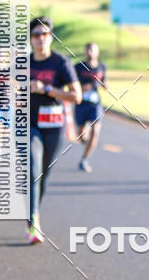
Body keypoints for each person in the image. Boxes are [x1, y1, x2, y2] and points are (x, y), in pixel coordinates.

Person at [28, 17, 81, 244]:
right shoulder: (23, 63)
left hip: (53, 124)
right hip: (29, 123)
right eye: (36, 35)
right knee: (32, 169)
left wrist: (46, 89)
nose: (41, 38)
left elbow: (76, 96)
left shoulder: (61, 63)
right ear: (31, 39)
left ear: (51, 37)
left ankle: (33, 211)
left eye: (45, 34)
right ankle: (33, 222)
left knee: (43, 174)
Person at [74, 42, 107, 173]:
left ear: (97, 52)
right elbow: (71, 84)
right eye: (88, 50)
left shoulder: (102, 67)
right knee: (81, 136)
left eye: (92, 50)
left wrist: (105, 85)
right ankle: (86, 139)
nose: (90, 52)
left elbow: (104, 82)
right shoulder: (78, 67)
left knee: (95, 131)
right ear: (85, 52)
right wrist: (82, 88)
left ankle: (84, 159)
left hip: (95, 104)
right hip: (81, 103)